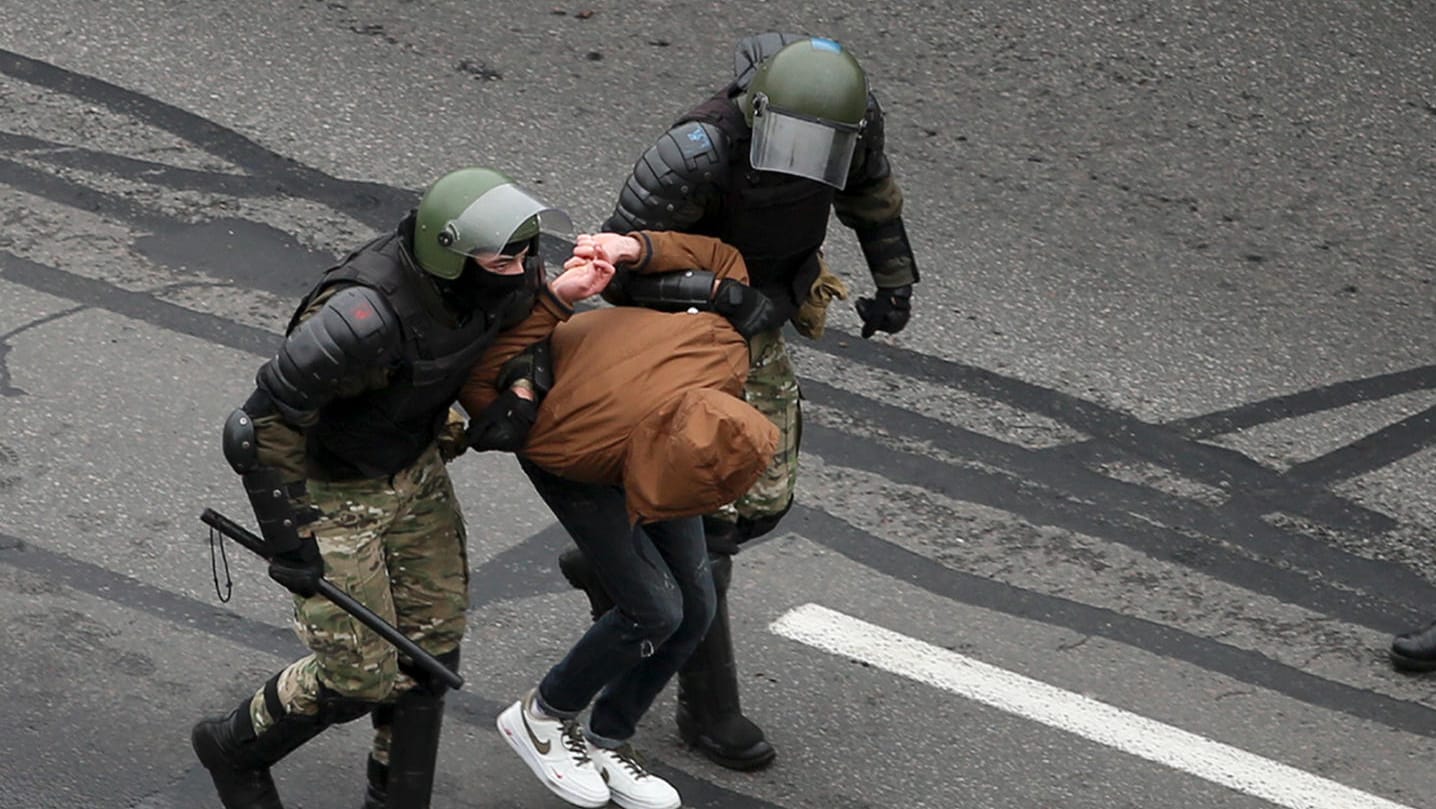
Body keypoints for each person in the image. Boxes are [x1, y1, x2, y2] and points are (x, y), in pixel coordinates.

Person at [189, 166, 612, 809]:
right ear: (450, 253)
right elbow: (262, 422)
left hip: (413, 470)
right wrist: (291, 539)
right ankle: (234, 747)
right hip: (330, 493)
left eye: (528, 252)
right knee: (355, 677)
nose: (523, 265)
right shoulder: (362, 315)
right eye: (505, 258)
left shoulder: (506, 268)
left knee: (429, 651)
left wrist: (520, 388)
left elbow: (520, 332)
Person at [557, 32, 923, 770]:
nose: (803, 158)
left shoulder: (851, 124)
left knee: (762, 497)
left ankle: (617, 564)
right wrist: (722, 294)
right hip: (682, 331)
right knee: (711, 517)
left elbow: (871, 195)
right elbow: (617, 270)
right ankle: (708, 710)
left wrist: (895, 280)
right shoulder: (695, 152)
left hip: (762, 317)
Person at [458, 229, 781, 809]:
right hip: (577, 456)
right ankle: (541, 715)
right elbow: (483, 377)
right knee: (654, 608)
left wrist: (636, 249)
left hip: (655, 425)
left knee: (698, 606)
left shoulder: (725, 349)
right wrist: (558, 299)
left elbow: (723, 258)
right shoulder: (570, 445)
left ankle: (608, 737)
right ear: (641, 472)